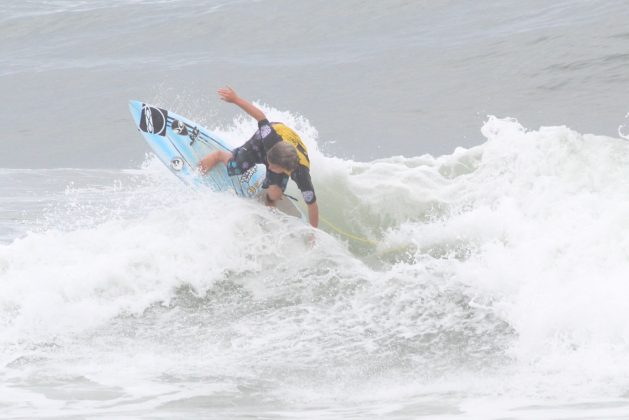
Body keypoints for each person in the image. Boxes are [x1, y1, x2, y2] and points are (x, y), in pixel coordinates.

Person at [199, 87, 319, 228]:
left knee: (274, 193)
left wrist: (313, 235)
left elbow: (312, 205)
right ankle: (221, 155)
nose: (269, 166)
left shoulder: (301, 174)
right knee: (236, 167)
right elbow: (260, 116)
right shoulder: (269, 137)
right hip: (265, 143)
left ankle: (267, 210)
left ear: (284, 169)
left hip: (284, 153)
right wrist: (235, 99)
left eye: (272, 166)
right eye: (269, 163)